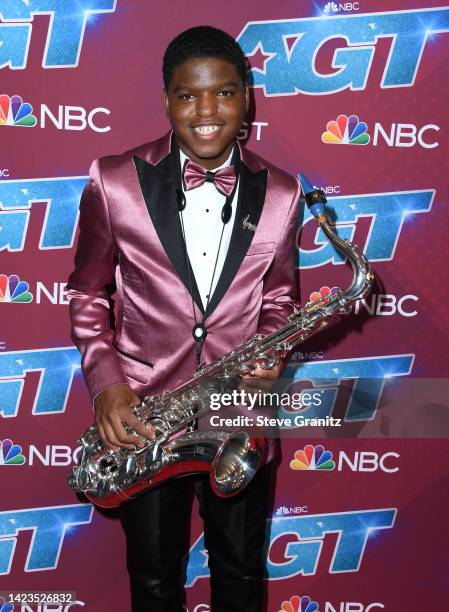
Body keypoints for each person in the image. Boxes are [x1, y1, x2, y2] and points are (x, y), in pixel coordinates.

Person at [67, 25, 300, 612]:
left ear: (247, 97)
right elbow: (88, 294)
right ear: (166, 98)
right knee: (153, 583)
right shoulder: (113, 180)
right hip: (146, 420)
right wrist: (108, 385)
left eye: (223, 93)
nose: (206, 111)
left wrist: (272, 348)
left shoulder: (283, 192)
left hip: (238, 416)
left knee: (242, 580)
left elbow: (280, 300)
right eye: (187, 94)